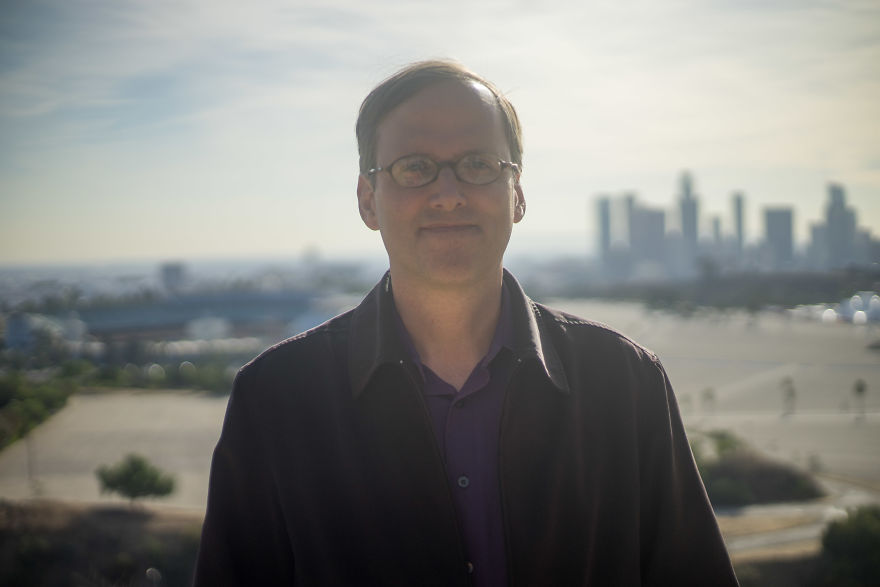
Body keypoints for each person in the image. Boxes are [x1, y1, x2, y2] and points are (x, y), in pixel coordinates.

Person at [193, 60, 739, 586]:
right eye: (414, 168)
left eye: (478, 164)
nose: (449, 194)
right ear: (368, 201)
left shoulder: (625, 383)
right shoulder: (275, 400)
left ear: (517, 193)